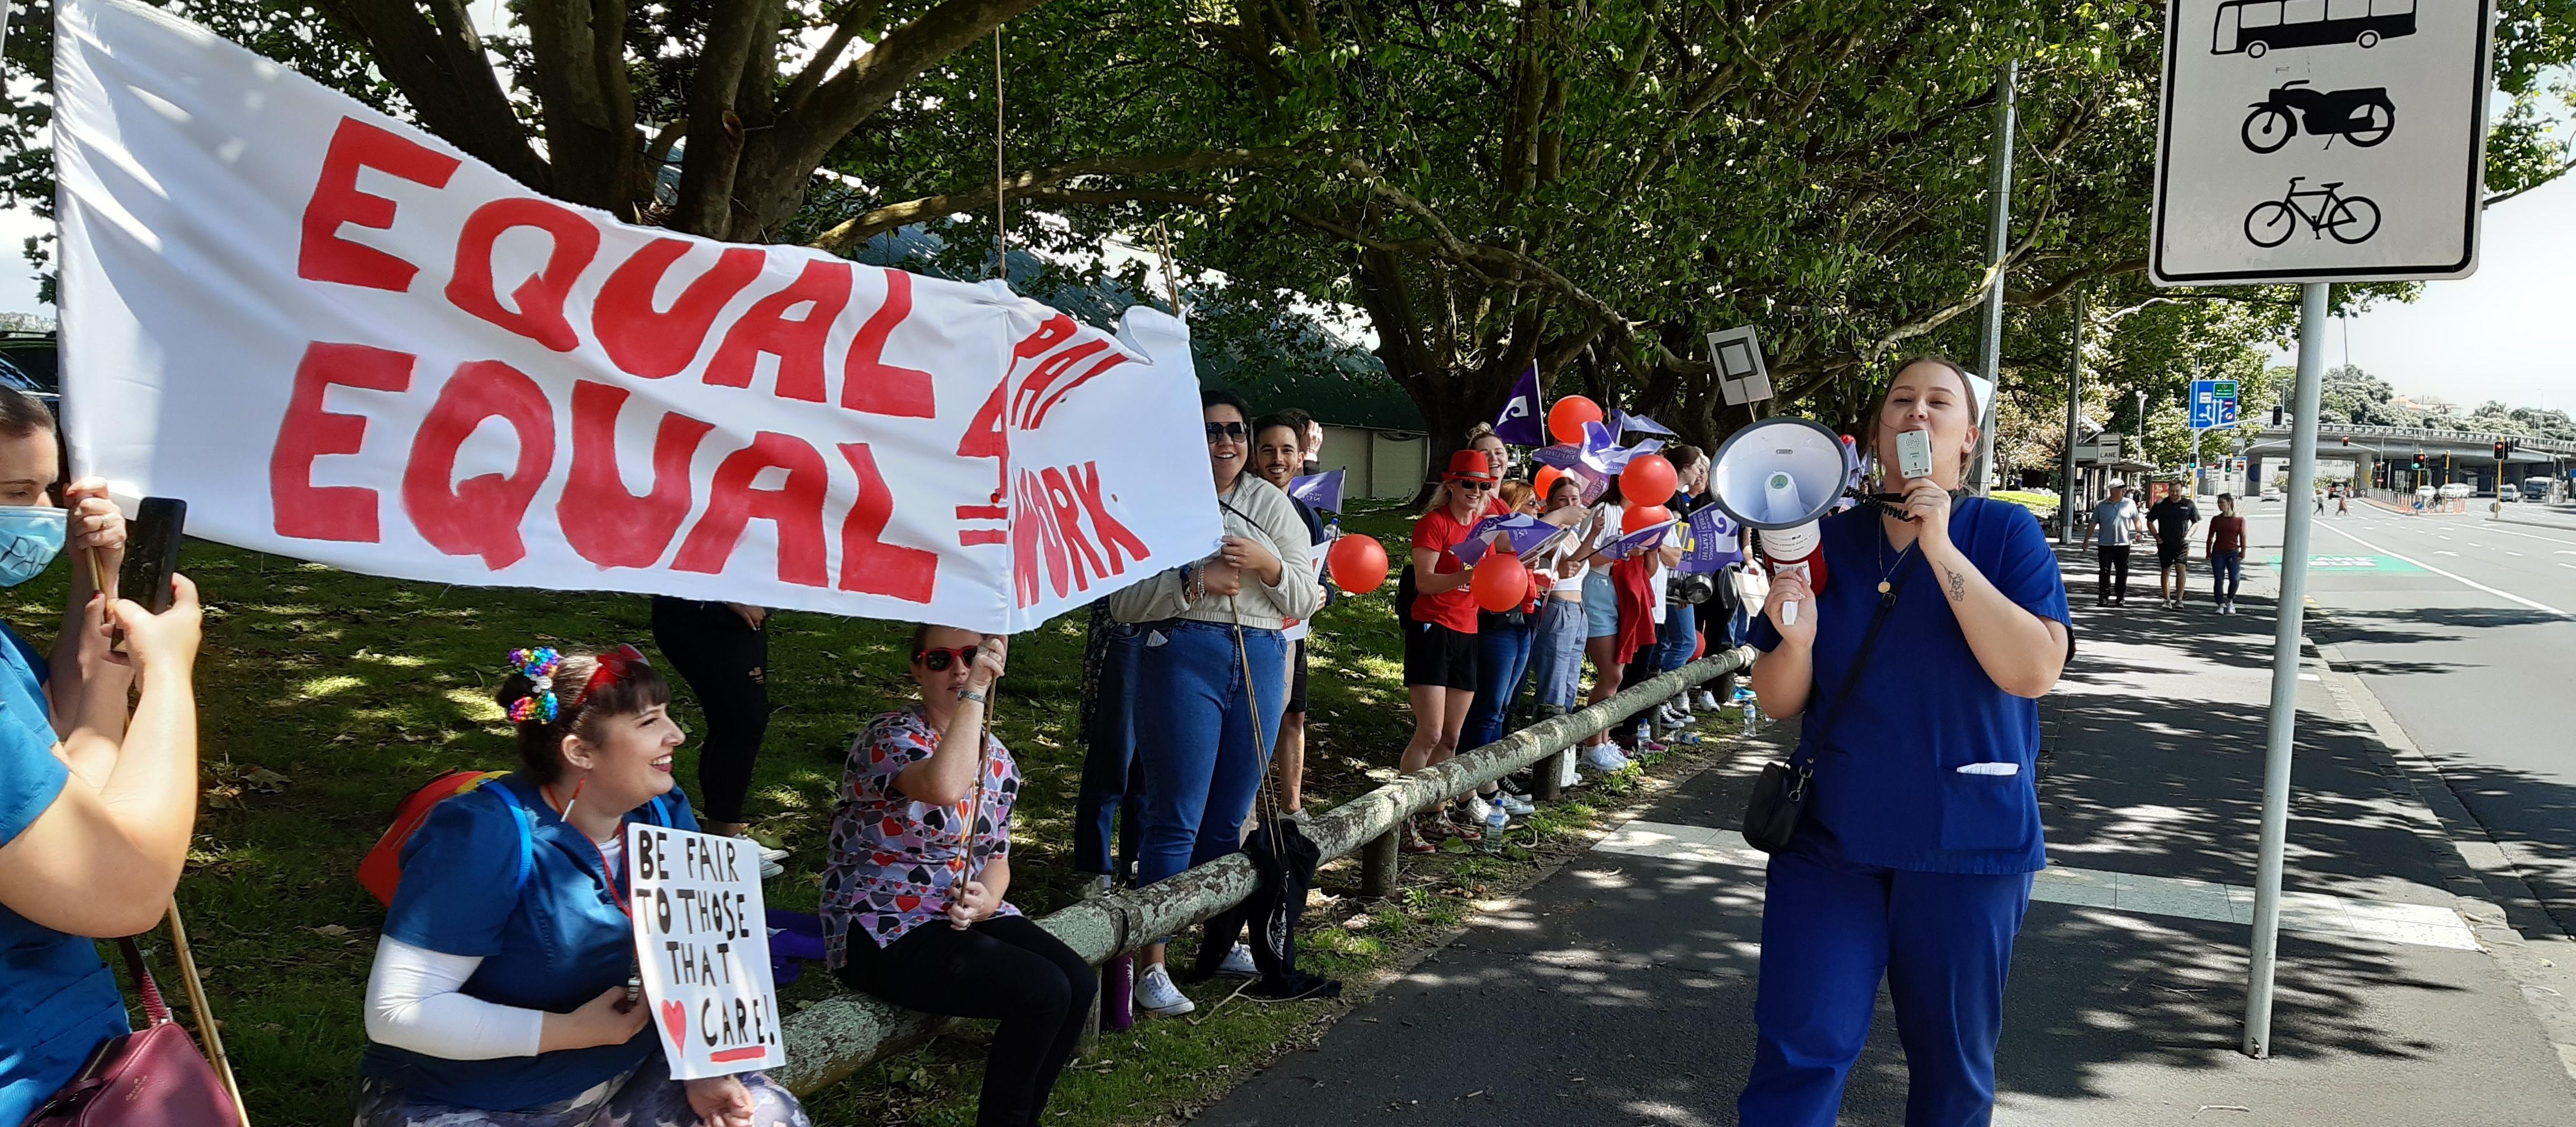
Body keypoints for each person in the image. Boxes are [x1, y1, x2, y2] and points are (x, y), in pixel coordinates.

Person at [1737, 356, 2071, 1126]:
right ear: (1876, 435)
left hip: (1967, 844)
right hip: (1832, 839)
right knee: (1798, 1047)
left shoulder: (2004, 533)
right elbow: (1783, 697)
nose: (1917, 415)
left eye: (1938, 404)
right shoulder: (1823, 544)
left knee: (1952, 1066)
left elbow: (2033, 671)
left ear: (1968, 440)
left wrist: (1941, 547)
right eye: (1901, 402)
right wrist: (1795, 639)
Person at [358, 646, 808, 1127]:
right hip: (478, 1098)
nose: (676, 735)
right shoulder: (485, 836)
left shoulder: (661, 809)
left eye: (668, 716)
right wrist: (569, 1030)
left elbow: (696, 959)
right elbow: (398, 1011)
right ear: (580, 752)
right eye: (648, 722)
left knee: (765, 1119)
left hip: (632, 1069)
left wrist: (704, 1068)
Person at [0, 388, 205, 1124]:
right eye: (12, 494)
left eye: (44, 491)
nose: (35, 513)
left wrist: (96, 576)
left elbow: (66, 767)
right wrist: (170, 681)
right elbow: (122, 892)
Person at [825, 630, 1096, 1127]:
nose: (958, 669)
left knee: (1077, 982)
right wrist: (975, 692)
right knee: (1042, 990)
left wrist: (988, 899)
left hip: (955, 915)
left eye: (972, 657)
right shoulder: (889, 735)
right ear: (916, 669)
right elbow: (943, 785)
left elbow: (997, 854)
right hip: (879, 925)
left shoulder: (1000, 759)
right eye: (940, 660)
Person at [1107, 389, 1317, 1016]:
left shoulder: (1271, 506)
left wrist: (1269, 567)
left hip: (1258, 656)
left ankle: (1217, 937)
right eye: (1210, 431)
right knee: (1177, 812)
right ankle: (1152, 961)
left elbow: (1307, 597)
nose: (1225, 443)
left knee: (1230, 817)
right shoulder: (1162, 503)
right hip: (1182, 654)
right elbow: (1123, 604)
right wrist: (1194, 583)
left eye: (1235, 431)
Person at [1395, 448, 1504, 850]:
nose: (1476, 491)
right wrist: (1467, 574)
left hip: (1467, 631)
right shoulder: (1433, 524)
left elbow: (1494, 582)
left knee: (1452, 738)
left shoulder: (1486, 530)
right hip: (1432, 630)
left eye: (1484, 485)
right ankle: (1400, 818)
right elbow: (1425, 583)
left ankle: (1435, 813)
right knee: (1430, 732)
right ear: (1451, 485)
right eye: (1469, 484)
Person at [649, 596, 788, 878]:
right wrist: (725, 598)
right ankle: (723, 845)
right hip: (706, 609)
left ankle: (722, 838)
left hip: (731, 605)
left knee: (738, 720)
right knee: (741, 720)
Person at [1252, 412, 1332, 818]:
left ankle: (1292, 808)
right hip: (1248, 635)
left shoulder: (1308, 517)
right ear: (1255, 455)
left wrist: (1323, 594)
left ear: (1301, 458)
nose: (1277, 459)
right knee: (1251, 728)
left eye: (1287, 450)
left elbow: (1324, 575)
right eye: (1268, 450)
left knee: (1292, 715)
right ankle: (1244, 812)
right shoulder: (1239, 506)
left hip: (1291, 637)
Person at [1457, 480, 1543, 817]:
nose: (1537, 512)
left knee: (1505, 706)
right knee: (1488, 707)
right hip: (1495, 622)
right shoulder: (1493, 522)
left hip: (1521, 616)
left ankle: (1492, 778)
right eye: (1530, 506)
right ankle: (1478, 786)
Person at [2146, 483, 2200, 612]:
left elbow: (2196, 522)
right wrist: (2157, 538)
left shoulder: (2189, 504)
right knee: (2166, 570)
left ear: (2181, 491)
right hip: (2165, 543)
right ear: (2168, 491)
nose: (2175, 494)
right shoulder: (2160, 504)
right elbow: (2149, 522)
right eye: (2173, 491)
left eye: (2178, 491)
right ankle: (2167, 600)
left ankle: (2179, 600)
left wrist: (2189, 536)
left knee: (2181, 568)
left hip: (2181, 544)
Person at [2089, 482, 2143, 607]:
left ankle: (2120, 596)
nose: (2124, 491)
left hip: (2123, 544)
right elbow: (2093, 523)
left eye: (2124, 489)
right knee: (2104, 571)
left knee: (2122, 571)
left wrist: (2139, 532)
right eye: (2121, 489)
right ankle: (2103, 597)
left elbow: (2136, 520)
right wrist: (2087, 540)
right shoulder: (2102, 506)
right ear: (2113, 491)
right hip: (2105, 544)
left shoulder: (2130, 504)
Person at [2206, 494, 2247, 615]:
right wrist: (2208, 552)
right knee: (2219, 580)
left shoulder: (2239, 520)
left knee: (2235, 579)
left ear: (2229, 503)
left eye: (2222, 502)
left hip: (2233, 553)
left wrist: (2243, 553)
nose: (2220, 505)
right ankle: (2220, 604)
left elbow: (2243, 536)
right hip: (2218, 553)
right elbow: (2210, 537)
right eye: (2219, 503)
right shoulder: (2216, 520)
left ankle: (2230, 600)